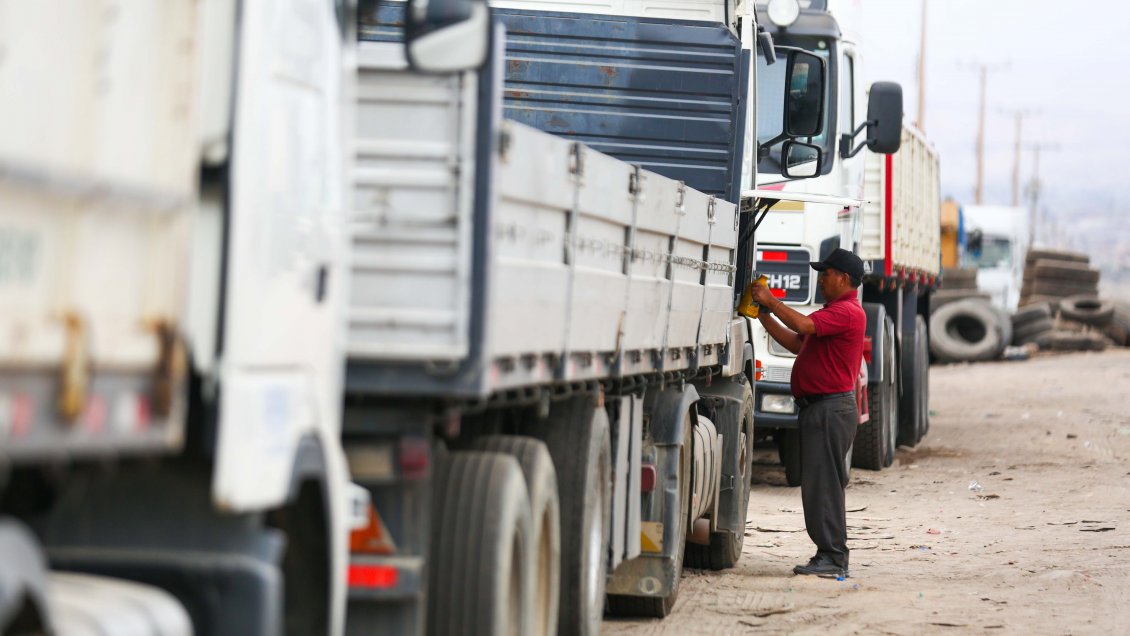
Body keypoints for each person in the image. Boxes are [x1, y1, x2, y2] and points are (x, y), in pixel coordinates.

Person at [748, 247, 867, 578]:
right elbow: (797, 343)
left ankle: (832, 555)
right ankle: (828, 553)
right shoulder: (834, 311)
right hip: (822, 409)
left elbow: (801, 323)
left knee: (824, 484)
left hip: (829, 409)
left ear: (843, 278)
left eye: (825, 273)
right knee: (819, 484)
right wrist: (763, 316)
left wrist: (770, 301)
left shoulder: (846, 311)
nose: (821, 278)